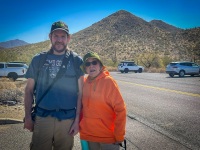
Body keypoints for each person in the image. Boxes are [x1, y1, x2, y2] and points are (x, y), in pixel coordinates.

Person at [23, 21, 84, 150]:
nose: (59, 40)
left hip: (67, 120)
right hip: (42, 118)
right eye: (56, 36)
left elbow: (81, 93)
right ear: (50, 37)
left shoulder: (76, 60)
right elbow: (28, 90)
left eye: (63, 36)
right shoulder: (38, 59)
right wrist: (28, 116)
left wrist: (77, 120)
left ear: (68, 38)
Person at [79, 52, 126, 150]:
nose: (91, 66)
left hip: (108, 138)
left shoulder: (108, 82)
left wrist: (119, 135)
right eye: (87, 64)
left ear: (100, 65)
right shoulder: (84, 82)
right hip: (89, 136)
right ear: (85, 68)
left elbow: (121, 110)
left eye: (94, 62)